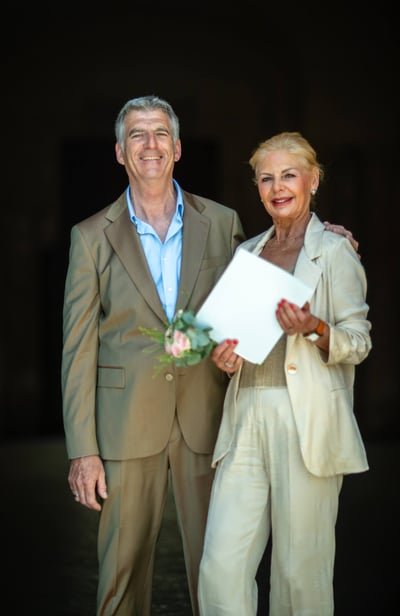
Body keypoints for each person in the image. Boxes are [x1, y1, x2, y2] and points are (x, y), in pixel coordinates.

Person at [61, 96, 359, 616]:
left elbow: (266, 280)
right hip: (126, 425)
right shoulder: (89, 238)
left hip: (211, 418)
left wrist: (329, 236)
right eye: (137, 134)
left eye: (160, 134)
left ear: (177, 148)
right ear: (118, 151)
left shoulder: (224, 226)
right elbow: (77, 345)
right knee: (121, 577)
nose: (149, 144)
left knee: (215, 572)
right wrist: (83, 448)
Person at [197, 131, 372, 616]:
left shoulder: (335, 251)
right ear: (256, 186)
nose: (278, 187)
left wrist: (316, 327)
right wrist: (224, 358)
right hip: (245, 415)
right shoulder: (247, 253)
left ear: (313, 180)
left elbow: (358, 341)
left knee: (300, 572)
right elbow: (226, 342)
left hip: (306, 421)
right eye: (266, 178)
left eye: (289, 175)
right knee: (220, 566)